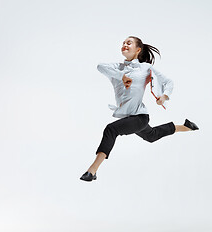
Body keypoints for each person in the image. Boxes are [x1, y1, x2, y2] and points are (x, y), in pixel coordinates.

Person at [80, 36, 199, 182]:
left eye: (128, 43)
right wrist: (121, 76)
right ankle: (185, 127)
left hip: (139, 117)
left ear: (138, 50)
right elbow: (100, 66)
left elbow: (168, 82)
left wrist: (164, 96)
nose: (124, 44)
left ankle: (92, 171)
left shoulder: (145, 69)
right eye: (123, 43)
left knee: (111, 129)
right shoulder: (117, 68)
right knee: (151, 135)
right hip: (128, 118)